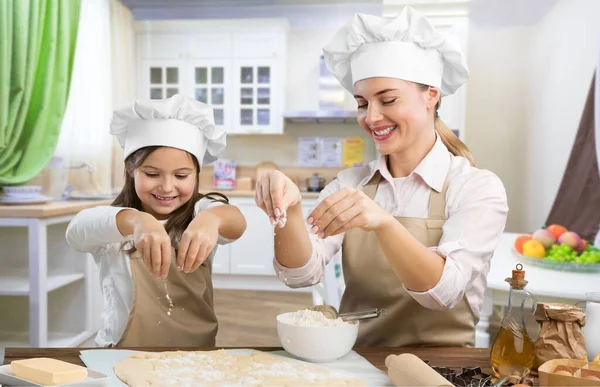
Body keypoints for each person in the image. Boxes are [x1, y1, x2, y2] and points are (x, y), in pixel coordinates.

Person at [255, 7, 508, 347]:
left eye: (387, 99)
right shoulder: (350, 183)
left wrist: (385, 223)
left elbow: (443, 293)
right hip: (357, 359)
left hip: (446, 369)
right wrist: (292, 213)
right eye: (362, 103)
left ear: (430, 95)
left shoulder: (476, 188)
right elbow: (300, 273)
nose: (371, 117)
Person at [66, 94, 246, 347]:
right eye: (152, 174)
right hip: (120, 349)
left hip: (196, 351)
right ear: (131, 168)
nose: (167, 186)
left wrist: (212, 219)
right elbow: (76, 231)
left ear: (197, 173)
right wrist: (136, 222)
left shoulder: (201, 210)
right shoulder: (113, 225)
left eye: (181, 175)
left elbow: (236, 223)